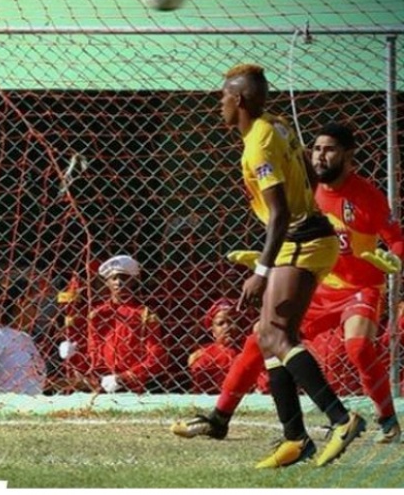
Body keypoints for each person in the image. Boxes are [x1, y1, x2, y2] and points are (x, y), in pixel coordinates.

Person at [172, 122, 402, 447]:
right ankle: (219, 418)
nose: (320, 157)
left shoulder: (367, 196)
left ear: (349, 155)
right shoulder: (306, 192)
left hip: (361, 288)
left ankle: (388, 421)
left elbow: (396, 240)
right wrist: (266, 259)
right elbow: (291, 236)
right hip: (319, 286)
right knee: (261, 339)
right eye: (317, 149)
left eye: (330, 150)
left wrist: (394, 260)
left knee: (359, 347)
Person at [180, 64, 362, 469]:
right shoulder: (275, 123)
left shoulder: (257, 145)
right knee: (268, 334)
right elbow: (305, 177)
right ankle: (295, 438)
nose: (220, 105)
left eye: (222, 97)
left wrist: (261, 271)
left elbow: (279, 213)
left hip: (300, 237)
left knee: (277, 335)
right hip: (308, 234)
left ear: (239, 99)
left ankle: (340, 417)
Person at [84, 255, 167, 394]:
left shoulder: (145, 315)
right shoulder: (97, 315)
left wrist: (124, 378)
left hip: (137, 385)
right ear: (107, 283)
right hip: (103, 381)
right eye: (114, 278)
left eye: (124, 278)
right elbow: (93, 351)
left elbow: (156, 356)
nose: (119, 282)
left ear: (132, 281)